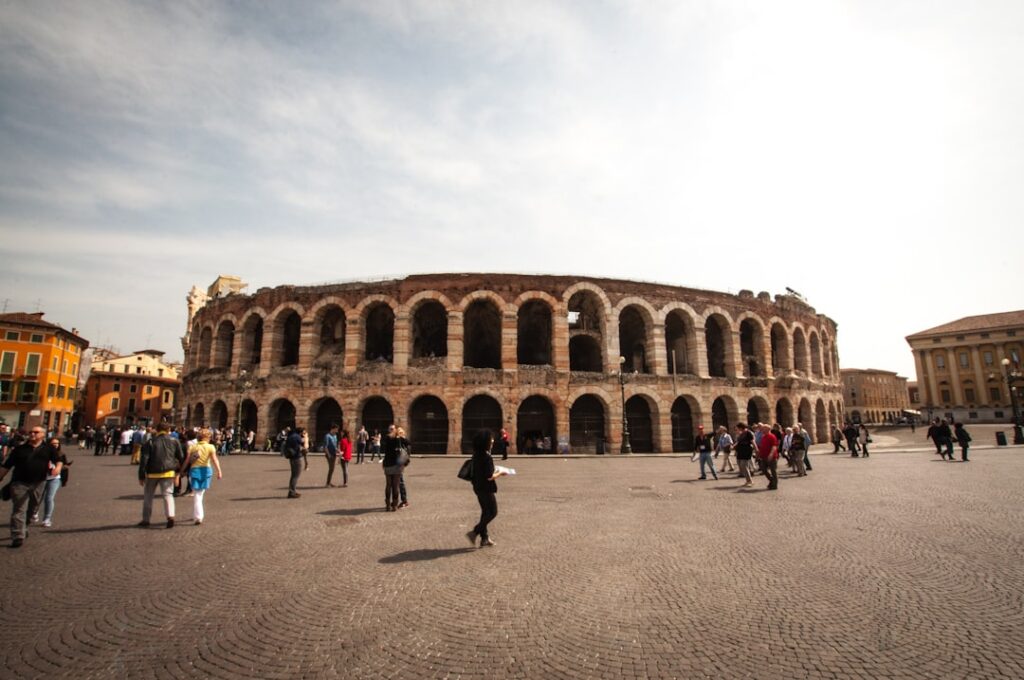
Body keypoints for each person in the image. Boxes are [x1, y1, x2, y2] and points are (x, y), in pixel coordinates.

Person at [0, 426, 57, 547]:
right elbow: (7, 465)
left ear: (43, 435)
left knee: (33, 508)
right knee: (19, 508)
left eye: (36, 432)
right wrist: (1, 476)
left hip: (39, 483)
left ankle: (24, 526)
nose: (32, 434)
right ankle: (17, 536)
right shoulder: (19, 449)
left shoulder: (49, 449)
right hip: (19, 482)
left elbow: (58, 459)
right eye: (31, 432)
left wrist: (58, 468)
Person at [137, 422, 185, 529]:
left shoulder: (150, 442)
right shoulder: (174, 441)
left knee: (148, 496)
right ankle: (170, 516)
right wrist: (180, 471)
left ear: (157, 430)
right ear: (168, 430)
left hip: (152, 473)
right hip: (168, 472)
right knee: (168, 495)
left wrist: (141, 476)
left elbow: (144, 460)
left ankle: (146, 519)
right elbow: (181, 457)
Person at [465, 429, 504, 548]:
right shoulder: (487, 456)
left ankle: (485, 538)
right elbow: (489, 476)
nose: (492, 443)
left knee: (485, 512)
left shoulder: (476, 454)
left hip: (478, 487)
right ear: (485, 442)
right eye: (491, 442)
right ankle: (475, 532)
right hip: (486, 488)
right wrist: (501, 473)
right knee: (493, 512)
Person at [181, 428, 222, 525]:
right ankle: (198, 516)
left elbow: (187, 460)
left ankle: (197, 515)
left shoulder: (192, 447)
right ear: (208, 437)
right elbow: (214, 460)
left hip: (194, 471)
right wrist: (219, 471)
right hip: (206, 471)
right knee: (199, 494)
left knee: (197, 494)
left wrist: (182, 470)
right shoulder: (211, 447)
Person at [40, 436, 70, 528]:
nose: (55, 445)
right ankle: (34, 512)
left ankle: (47, 518)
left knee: (49, 498)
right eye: (53, 443)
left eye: (57, 443)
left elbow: (65, 466)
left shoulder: (61, 454)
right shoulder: (42, 453)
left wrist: (63, 476)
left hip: (55, 478)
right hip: (41, 478)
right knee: (38, 498)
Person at [381, 425, 408, 511]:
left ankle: (388, 504)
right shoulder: (398, 439)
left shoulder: (387, 438)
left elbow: (384, 449)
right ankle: (395, 505)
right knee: (395, 486)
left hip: (387, 464)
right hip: (396, 465)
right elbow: (406, 444)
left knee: (388, 485)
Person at [756, 423, 779, 490]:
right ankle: (772, 480)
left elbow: (774, 446)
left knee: (773, 471)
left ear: (768, 429)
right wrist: (759, 454)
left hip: (771, 457)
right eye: (762, 428)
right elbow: (762, 446)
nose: (762, 430)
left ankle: (774, 485)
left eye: (764, 428)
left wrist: (771, 454)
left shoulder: (772, 436)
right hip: (763, 456)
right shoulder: (763, 437)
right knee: (763, 469)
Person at [285, 427, 306, 498]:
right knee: (296, 476)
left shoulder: (291, 436)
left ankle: (292, 491)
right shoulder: (297, 437)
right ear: (301, 432)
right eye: (303, 432)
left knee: (293, 475)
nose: (304, 434)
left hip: (292, 457)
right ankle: (292, 492)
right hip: (296, 457)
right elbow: (300, 447)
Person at [733, 422, 755, 486]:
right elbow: (738, 442)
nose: (736, 429)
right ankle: (748, 480)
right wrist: (734, 446)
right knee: (742, 466)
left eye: (737, 427)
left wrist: (756, 449)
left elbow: (753, 441)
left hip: (746, 451)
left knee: (744, 466)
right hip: (741, 451)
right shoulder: (741, 433)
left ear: (740, 427)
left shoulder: (748, 433)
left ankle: (750, 481)